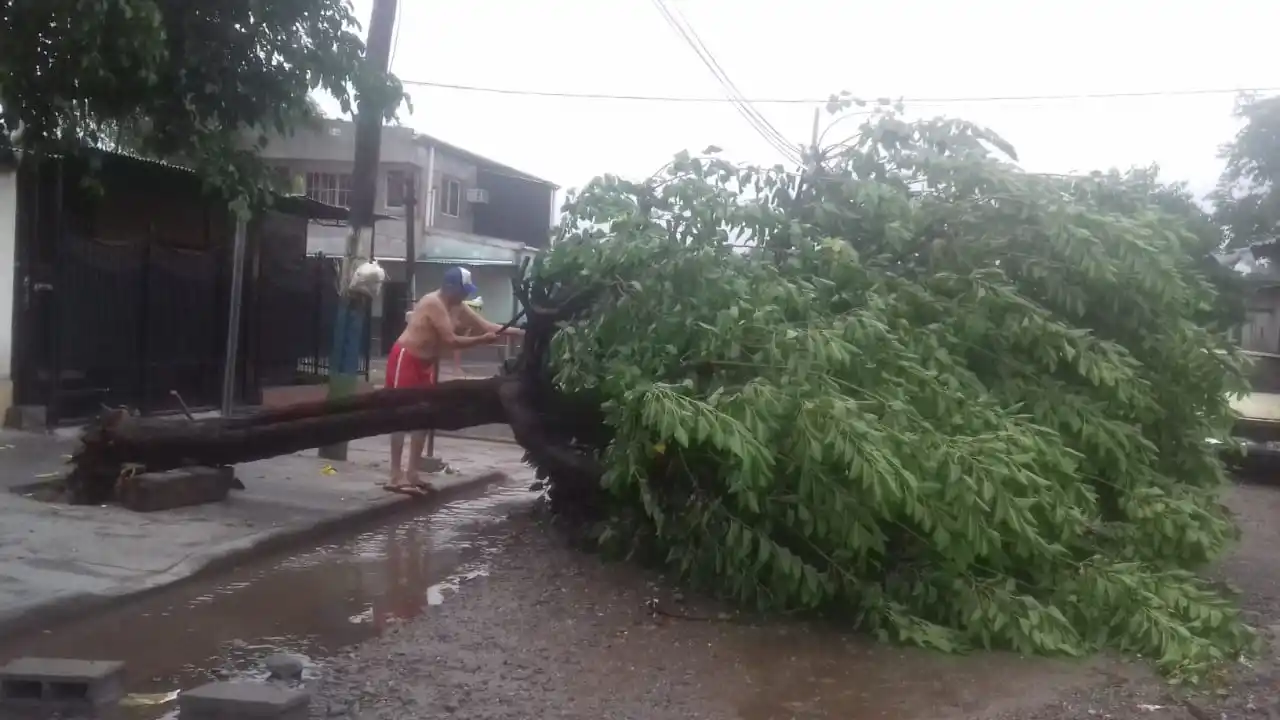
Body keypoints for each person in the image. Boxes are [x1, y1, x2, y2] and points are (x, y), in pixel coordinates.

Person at [385, 267, 522, 494]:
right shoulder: (433, 304)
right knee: (401, 415)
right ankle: (394, 475)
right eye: (463, 290)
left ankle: (412, 473)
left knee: (424, 418)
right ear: (450, 288)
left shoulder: (458, 306)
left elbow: (488, 327)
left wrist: (522, 333)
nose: (465, 295)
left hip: (424, 364)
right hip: (406, 358)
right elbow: (450, 340)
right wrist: (481, 341)